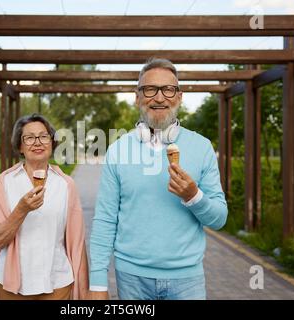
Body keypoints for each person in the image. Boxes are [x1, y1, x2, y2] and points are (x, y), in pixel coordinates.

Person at [88, 58, 228, 300]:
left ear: (179, 97)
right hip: (131, 278)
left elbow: (218, 219)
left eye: (168, 89)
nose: (160, 97)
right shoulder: (118, 150)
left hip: (188, 281)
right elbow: (105, 220)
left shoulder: (202, 147)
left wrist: (193, 196)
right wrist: (98, 283)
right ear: (137, 97)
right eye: (150, 89)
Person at [0, 114, 88, 300]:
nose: (37, 142)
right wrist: (21, 210)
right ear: (20, 146)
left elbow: (78, 242)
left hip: (57, 282)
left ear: (52, 143)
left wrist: (85, 290)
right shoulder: (4, 182)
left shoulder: (66, 185)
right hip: (12, 286)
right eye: (29, 138)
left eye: (43, 136)